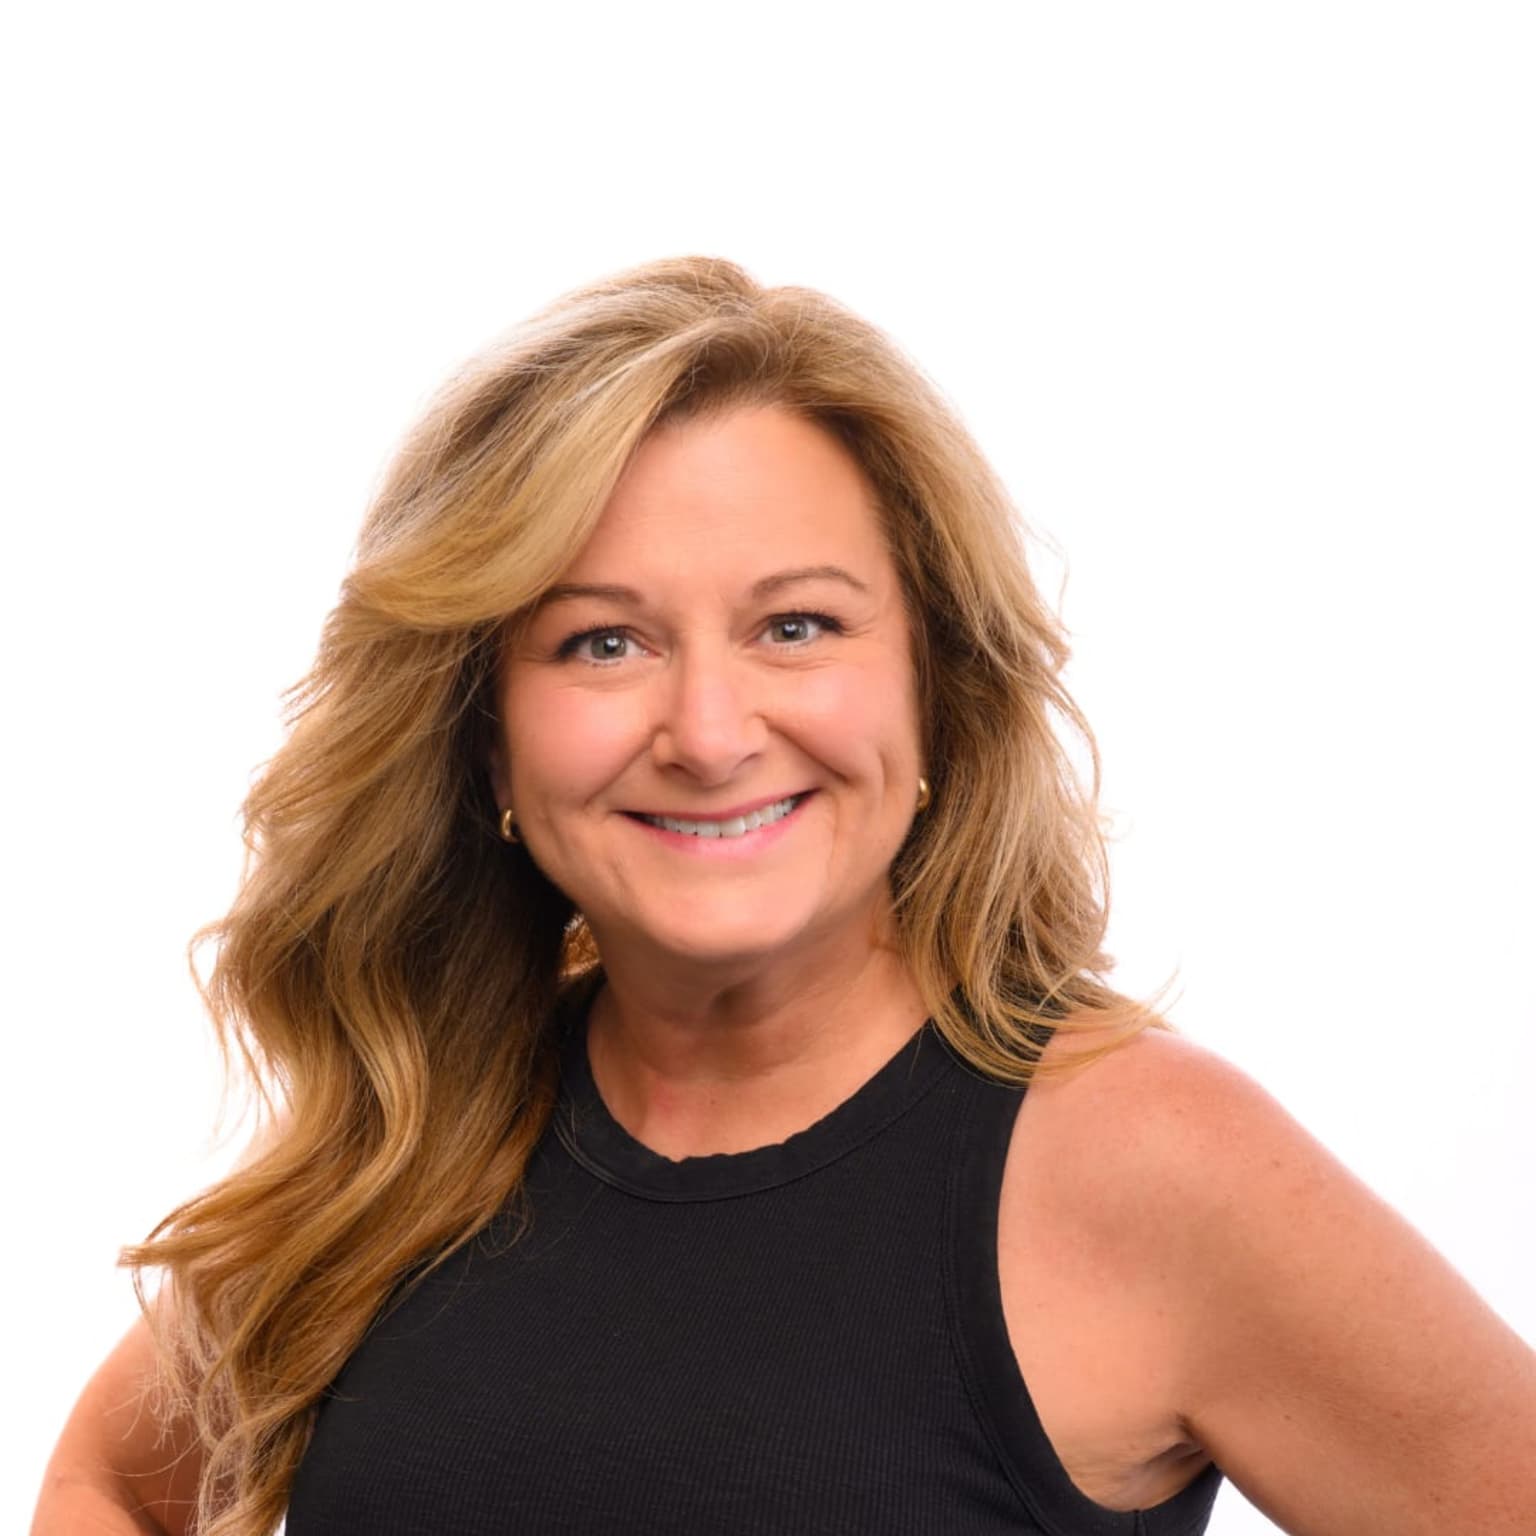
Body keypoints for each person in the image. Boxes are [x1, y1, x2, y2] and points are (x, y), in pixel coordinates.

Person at [33, 257, 1536, 1536]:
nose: (707, 733)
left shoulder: (1144, 1160)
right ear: (485, 730)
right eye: (602, 644)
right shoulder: (415, 1134)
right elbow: (116, 1482)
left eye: (798, 626)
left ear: (934, 687)